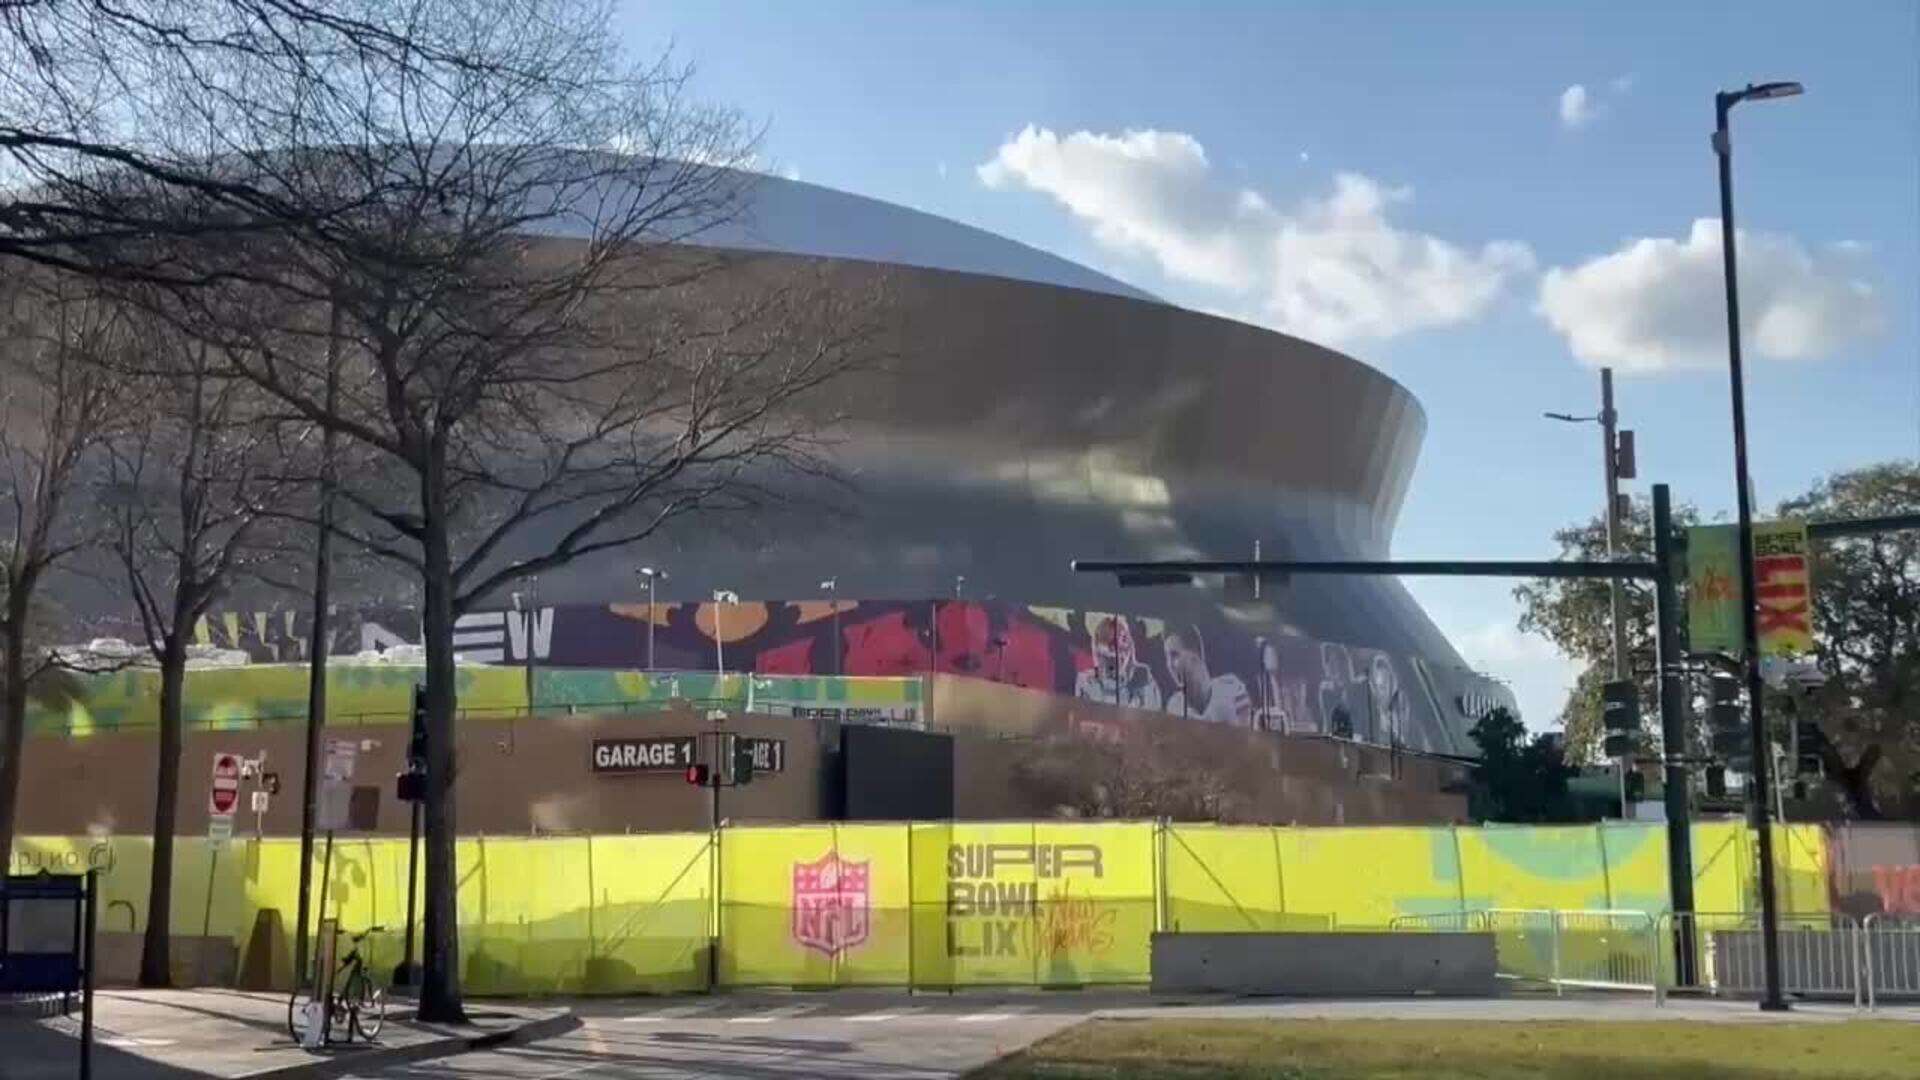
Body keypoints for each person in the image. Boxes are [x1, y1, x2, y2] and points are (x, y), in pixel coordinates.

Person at [1163, 624, 1251, 725]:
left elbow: (1247, 736)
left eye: (1175, 655)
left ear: (1195, 655)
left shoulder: (1232, 688)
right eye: (1167, 657)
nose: (1169, 665)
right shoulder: (1174, 706)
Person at [1073, 614, 1162, 711]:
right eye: (1107, 658)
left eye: (1122, 653)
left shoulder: (1145, 680)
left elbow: (1151, 718)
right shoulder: (1086, 682)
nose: (1113, 664)